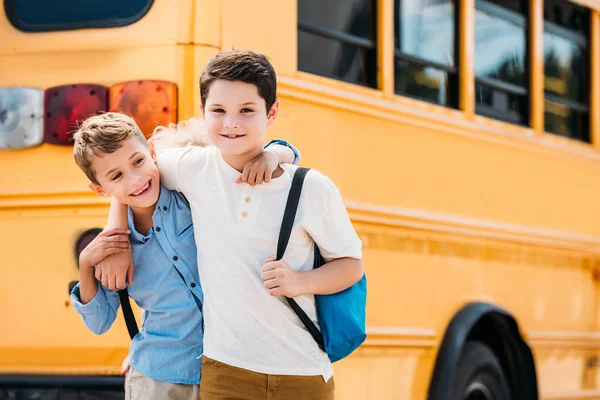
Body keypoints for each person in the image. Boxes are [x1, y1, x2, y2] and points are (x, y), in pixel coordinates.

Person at [70, 111, 300, 400]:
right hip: (158, 376)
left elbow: (285, 153)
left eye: (138, 161)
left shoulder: (192, 195)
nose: (136, 179)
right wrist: (86, 265)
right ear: (100, 189)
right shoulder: (112, 246)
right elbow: (99, 322)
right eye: (117, 176)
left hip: (228, 371)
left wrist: (272, 156)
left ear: (152, 151)